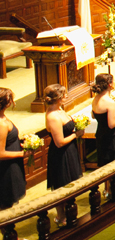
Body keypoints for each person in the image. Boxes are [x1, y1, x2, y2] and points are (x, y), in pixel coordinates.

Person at [44, 84, 83, 223]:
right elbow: (59, 142)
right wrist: (76, 135)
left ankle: (70, 213)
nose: (66, 96)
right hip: (61, 155)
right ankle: (61, 217)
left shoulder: (60, 109)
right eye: (64, 94)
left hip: (69, 150)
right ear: (58, 98)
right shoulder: (52, 116)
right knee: (61, 185)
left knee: (70, 183)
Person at [91, 73, 115, 184]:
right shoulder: (110, 102)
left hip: (101, 135)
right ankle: (113, 189)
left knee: (105, 167)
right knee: (113, 167)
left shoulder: (95, 99)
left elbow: (93, 115)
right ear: (110, 84)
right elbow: (111, 124)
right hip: (111, 138)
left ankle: (107, 189)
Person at [0, 88, 25, 212]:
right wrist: (22, 153)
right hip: (6, 170)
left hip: (12, 165)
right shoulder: (1, 124)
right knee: (5, 204)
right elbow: (0, 153)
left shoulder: (3, 118)